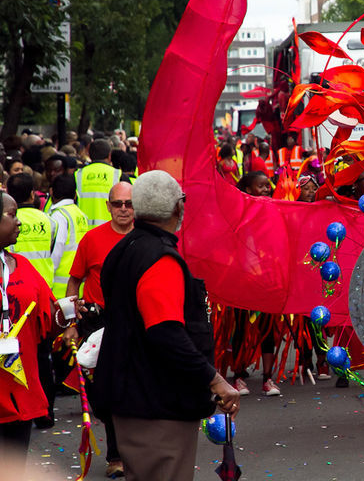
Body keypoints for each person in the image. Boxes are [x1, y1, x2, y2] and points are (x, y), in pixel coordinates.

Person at [93, 171, 239, 481]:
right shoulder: (159, 259)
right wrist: (214, 380)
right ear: (177, 208)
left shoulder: (124, 249)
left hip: (130, 395)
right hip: (156, 404)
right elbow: (165, 332)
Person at [61, 182, 134, 478]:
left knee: (129, 392)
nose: (124, 210)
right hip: (96, 325)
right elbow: (74, 283)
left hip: (133, 324)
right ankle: (118, 452)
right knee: (103, 396)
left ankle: (121, 454)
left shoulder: (146, 238)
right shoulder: (92, 239)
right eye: (118, 204)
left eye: (129, 204)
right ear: (108, 206)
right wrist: (71, 323)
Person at [0, 191, 58, 473]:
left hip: (19, 387)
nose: (19, 222)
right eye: (11, 215)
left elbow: (48, 320)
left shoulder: (22, 265)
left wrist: (69, 316)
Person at [231, 171, 281, 396]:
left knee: (267, 330)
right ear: (248, 189)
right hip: (242, 281)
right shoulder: (238, 213)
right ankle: (239, 377)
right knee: (241, 329)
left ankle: (268, 379)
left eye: (268, 185)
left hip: (267, 280)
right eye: (261, 186)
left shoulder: (274, 211)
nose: (266, 189)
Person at [47, 174, 89, 300]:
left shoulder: (59, 216)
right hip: (78, 286)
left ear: (51, 192)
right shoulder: (81, 215)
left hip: (60, 290)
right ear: (75, 194)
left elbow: (56, 251)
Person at [75, 139, 123, 229]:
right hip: (110, 231)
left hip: (83, 230)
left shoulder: (78, 174)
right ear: (109, 156)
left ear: (89, 155)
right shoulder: (118, 175)